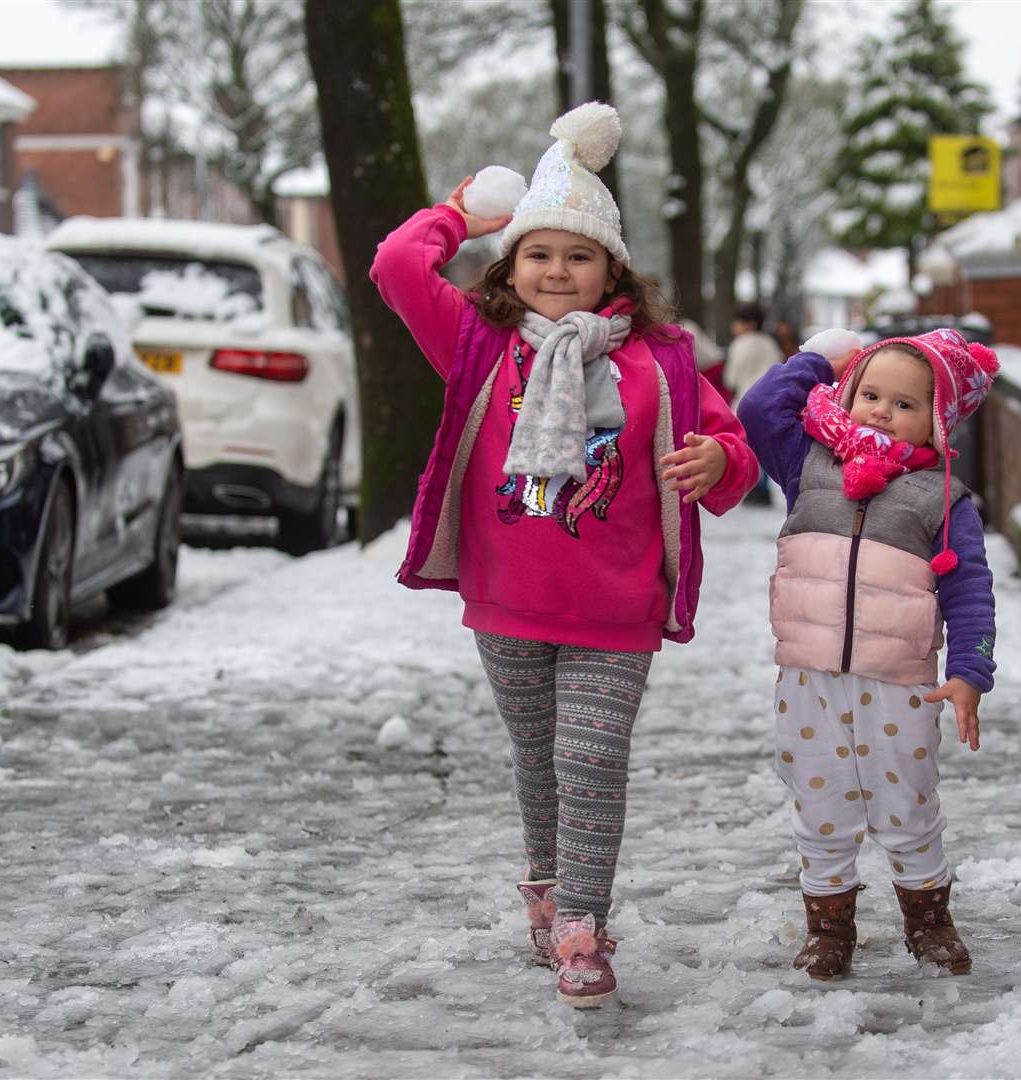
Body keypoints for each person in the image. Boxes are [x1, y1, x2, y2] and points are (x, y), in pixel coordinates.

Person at [369, 102, 758, 1009]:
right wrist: (462, 215)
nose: (556, 271)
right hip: (509, 597)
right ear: (512, 266)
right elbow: (395, 265)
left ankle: (583, 922)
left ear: (610, 270)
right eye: (539, 254)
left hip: (616, 604)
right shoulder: (477, 339)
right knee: (537, 755)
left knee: (591, 757)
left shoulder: (659, 359)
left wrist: (719, 460)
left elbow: (731, 447)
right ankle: (547, 893)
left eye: (577, 256)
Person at [736, 327, 999, 981]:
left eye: (904, 404)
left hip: (899, 683)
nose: (881, 409)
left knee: (907, 803)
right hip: (810, 677)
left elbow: (970, 593)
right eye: (870, 393)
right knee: (819, 804)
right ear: (846, 392)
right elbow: (758, 409)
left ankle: (929, 921)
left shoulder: (943, 499)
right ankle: (829, 930)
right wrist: (817, 358)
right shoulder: (808, 467)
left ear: (936, 421)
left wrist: (970, 671)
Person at [724, 304, 785, 505]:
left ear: (748, 323)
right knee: (765, 446)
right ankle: (765, 487)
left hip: (745, 401)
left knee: (747, 446)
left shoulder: (739, 345)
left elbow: (730, 379)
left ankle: (751, 486)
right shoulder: (771, 344)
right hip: (771, 401)